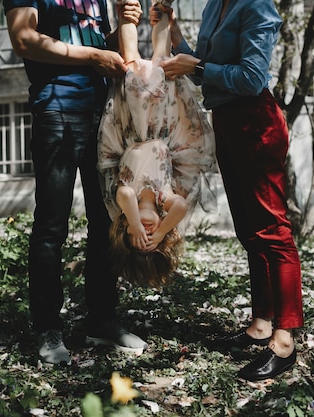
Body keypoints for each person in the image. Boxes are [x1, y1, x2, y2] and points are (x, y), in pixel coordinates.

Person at [156, 0, 304, 381]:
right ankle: (260, 324)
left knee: (273, 231)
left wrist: (199, 66)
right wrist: (174, 33)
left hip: (256, 120)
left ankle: (285, 340)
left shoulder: (257, 7)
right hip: (226, 121)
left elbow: (252, 77)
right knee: (250, 232)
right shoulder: (214, 7)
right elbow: (203, 70)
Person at [3, 0, 148, 366]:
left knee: (105, 222)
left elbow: (102, 45)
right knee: (52, 226)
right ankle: (48, 327)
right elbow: (24, 39)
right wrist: (93, 57)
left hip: (105, 114)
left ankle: (101, 320)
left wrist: (121, 27)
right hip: (58, 110)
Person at [97, 0, 216, 288]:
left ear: (124, 229)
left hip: (133, 127)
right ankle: (162, 8)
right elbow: (181, 208)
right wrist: (162, 230)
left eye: (136, 239)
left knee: (132, 66)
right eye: (150, 241)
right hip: (164, 127)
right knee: (162, 62)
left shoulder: (126, 202)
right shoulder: (165, 200)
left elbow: (125, 193)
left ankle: (128, 8)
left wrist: (135, 221)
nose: (146, 234)